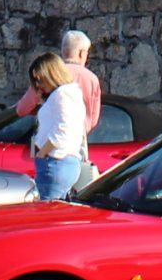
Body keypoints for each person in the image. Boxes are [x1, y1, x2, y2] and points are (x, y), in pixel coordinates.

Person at [23, 51, 86, 202]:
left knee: (45, 214)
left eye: (40, 79)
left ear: (52, 74)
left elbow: (62, 129)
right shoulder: (71, 93)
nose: (38, 84)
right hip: (63, 162)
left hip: (56, 162)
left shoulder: (62, 95)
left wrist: (42, 153)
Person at [16, 29, 104, 131]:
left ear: (62, 51)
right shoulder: (92, 79)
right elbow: (93, 120)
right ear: (81, 53)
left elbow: (22, 109)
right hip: (78, 139)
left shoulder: (48, 74)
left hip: (50, 136)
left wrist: (40, 110)